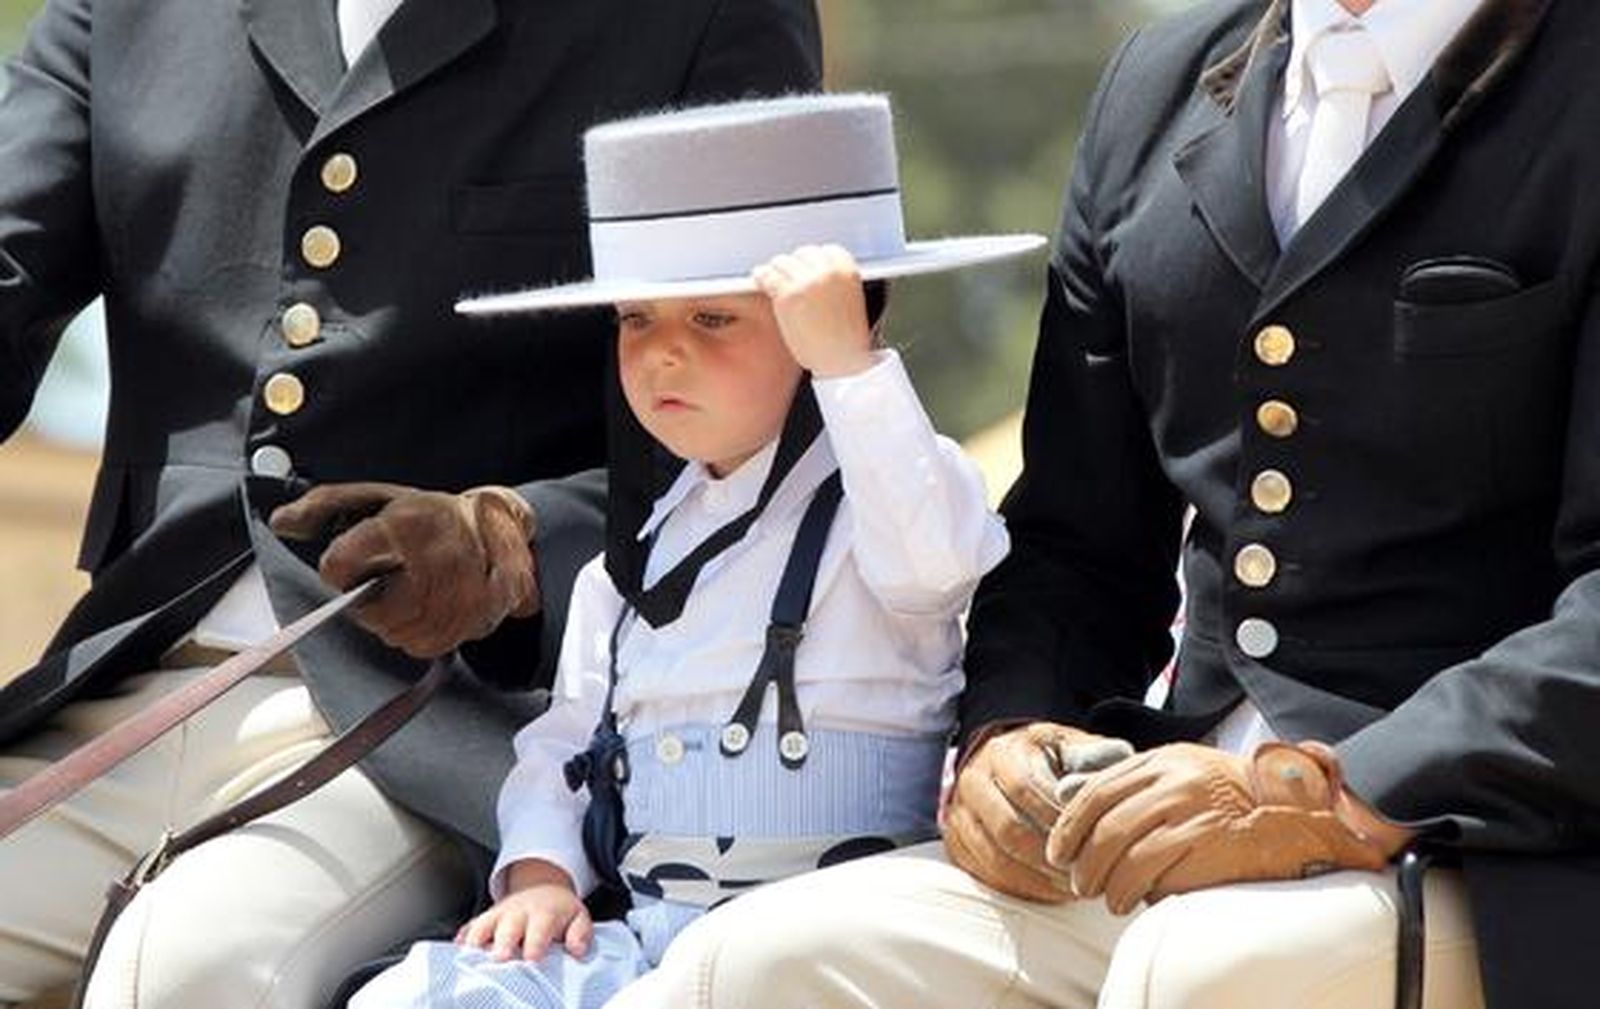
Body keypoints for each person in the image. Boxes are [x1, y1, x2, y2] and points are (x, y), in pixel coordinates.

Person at [613, 1, 1600, 1008]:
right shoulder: (1155, 84)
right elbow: (1075, 544)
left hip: (1483, 845)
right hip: (1159, 814)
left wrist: (1330, 794)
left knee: (1199, 975)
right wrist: (1009, 730)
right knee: (745, 966)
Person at [0, 2, 820, 1007]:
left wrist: (511, 539)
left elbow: (765, 421)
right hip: (132, 677)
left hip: (449, 727)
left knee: (190, 969)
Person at [343, 93, 1038, 1009]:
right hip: (656, 931)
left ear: (836, 320)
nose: (663, 355)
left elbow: (936, 564)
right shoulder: (627, 560)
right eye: (637, 320)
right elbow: (564, 748)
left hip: (841, 943)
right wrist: (541, 873)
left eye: (713, 319)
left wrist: (849, 368)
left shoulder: (896, 485)